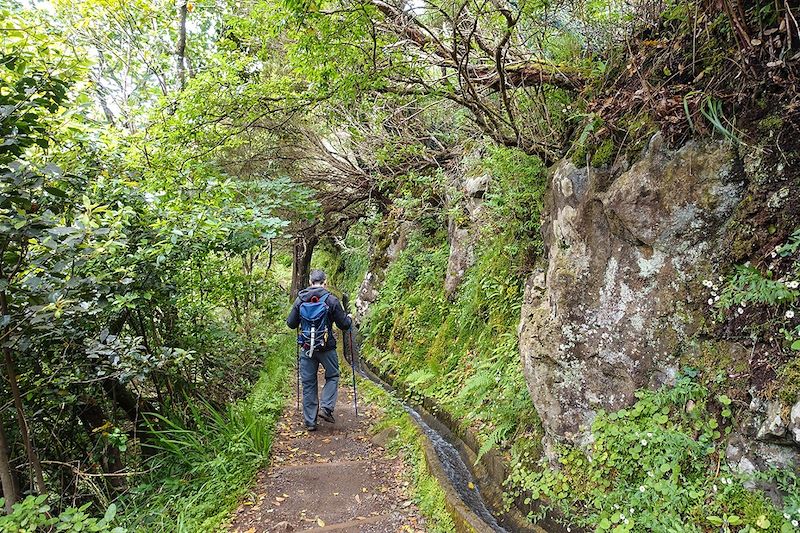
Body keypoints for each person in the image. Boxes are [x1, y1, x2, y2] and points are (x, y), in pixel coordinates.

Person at [287, 269, 352, 431]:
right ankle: (326, 407)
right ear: (325, 282)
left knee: (308, 383)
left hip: (306, 347)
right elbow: (343, 325)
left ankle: (310, 422)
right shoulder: (331, 300)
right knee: (333, 375)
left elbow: (291, 324)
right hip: (326, 347)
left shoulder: (300, 299)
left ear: (310, 282)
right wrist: (350, 319)